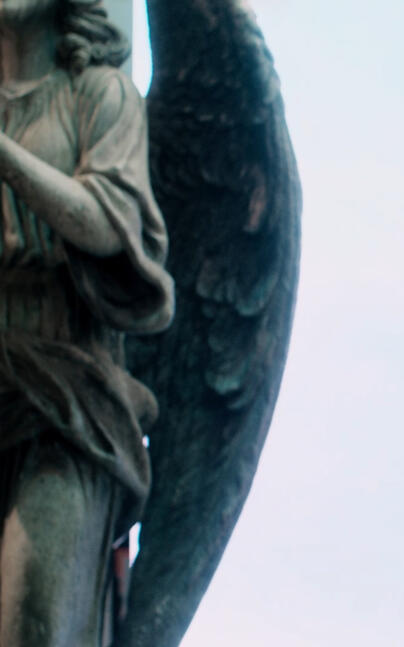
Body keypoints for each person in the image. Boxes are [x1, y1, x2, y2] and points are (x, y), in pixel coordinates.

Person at [0, 1, 173, 645]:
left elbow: (109, 224)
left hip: (69, 407)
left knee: (33, 623)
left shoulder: (98, 95)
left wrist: (7, 158)